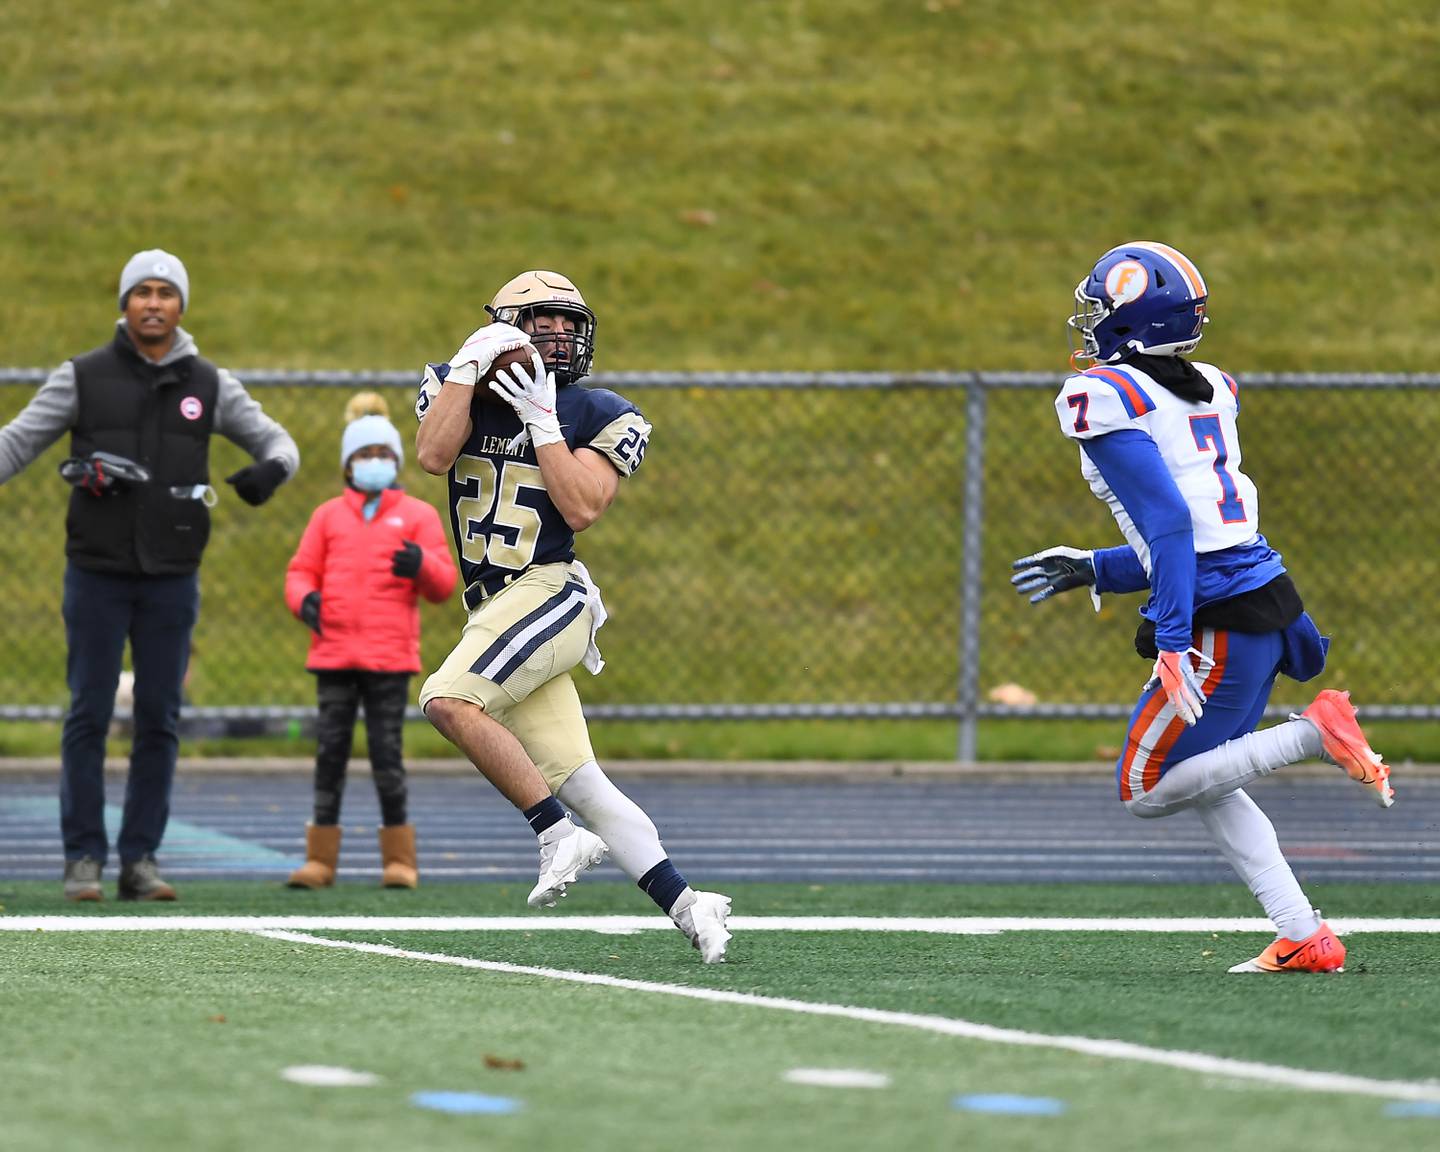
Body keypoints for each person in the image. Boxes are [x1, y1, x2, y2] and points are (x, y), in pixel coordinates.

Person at [1011, 240, 1394, 974]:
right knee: (1211, 773)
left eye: (1101, 307)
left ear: (1134, 318)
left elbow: (1173, 527)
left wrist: (1170, 632)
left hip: (1216, 614)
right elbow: (1216, 532)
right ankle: (1303, 933)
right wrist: (1094, 567)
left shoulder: (1103, 394)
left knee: (1145, 789)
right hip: (1256, 596)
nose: (1088, 321)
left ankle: (1312, 735)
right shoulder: (1211, 384)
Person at [413, 269, 732, 962]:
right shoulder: (454, 382)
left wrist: (542, 422)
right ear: (503, 328)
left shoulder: (599, 411)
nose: (559, 337)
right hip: (495, 608)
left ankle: (553, 833)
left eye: (568, 325)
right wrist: (470, 367)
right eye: (542, 323)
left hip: (550, 592)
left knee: (445, 699)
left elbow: (584, 505)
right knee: (584, 782)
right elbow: (434, 455)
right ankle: (689, 903)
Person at [0, 249, 299, 902]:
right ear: (125, 303)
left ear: (182, 306)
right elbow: (17, 443)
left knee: (161, 719)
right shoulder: (80, 377)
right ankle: (84, 858)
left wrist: (268, 472)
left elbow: (280, 443)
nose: (154, 303)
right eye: (143, 291)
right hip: (96, 575)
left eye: (167, 292)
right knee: (89, 713)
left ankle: (140, 861)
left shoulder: (210, 384)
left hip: (172, 577)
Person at [283, 393, 457, 889]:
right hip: (334, 655)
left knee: (387, 756)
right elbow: (300, 572)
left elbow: (444, 583)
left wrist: (420, 567)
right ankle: (320, 858)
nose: (374, 463)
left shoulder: (419, 516)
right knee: (329, 755)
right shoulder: (328, 517)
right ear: (347, 465)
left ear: (397, 461)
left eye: (383, 454)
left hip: (388, 659)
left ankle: (398, 859)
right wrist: (306, 601)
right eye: (364, 455)